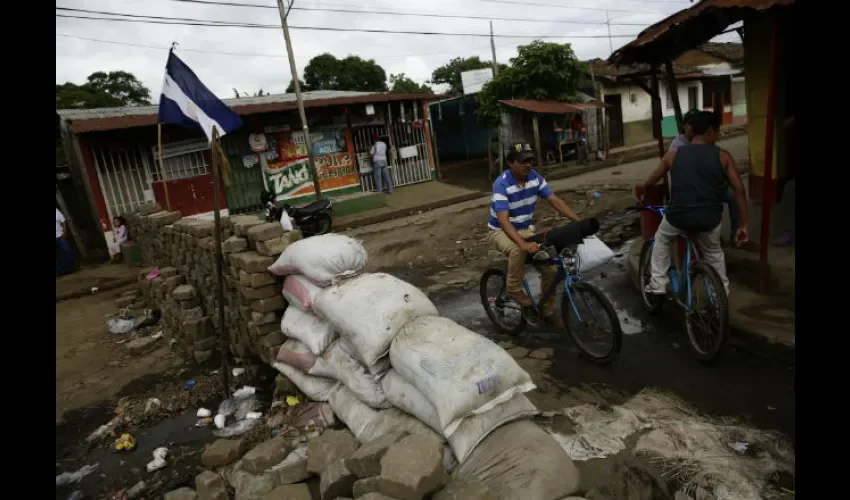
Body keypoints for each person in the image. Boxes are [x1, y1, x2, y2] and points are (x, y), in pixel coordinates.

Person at [640, 112, 748, 295]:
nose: (719, 136)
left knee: (662, 239)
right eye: (718, 132)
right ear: (709, 132)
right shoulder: (723, 156)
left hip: (678, 216)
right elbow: (739, 190)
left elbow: (651, 180)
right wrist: (743, 224)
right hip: (710, 218)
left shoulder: (673, 155)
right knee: (713, 253)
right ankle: (719, 296)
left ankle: (658, 283)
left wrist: (644, 194)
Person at [488, 142, 582, 327]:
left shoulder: (535, 178)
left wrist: (579, 221)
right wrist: (522, 244)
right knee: (517, 250)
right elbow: (504, 221)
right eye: (523, 161)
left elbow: (554, 200)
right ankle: (514, 289)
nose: (528, 165)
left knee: (551, 269)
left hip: (525, 229)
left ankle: (546, 311)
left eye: (530, 160)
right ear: (510, 163)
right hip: (499, 230)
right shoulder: (501, 184)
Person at [670, 110, 740, 245]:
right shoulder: (677, 146)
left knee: (733, 196)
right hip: (690, 188)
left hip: (709, 184)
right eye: (690, 124)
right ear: (685, 126)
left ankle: (735, 234)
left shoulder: (704, 140)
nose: (693, 127)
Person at [56, 207, 75, 276]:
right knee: (57, 256)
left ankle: (71, 268)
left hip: (60, 236)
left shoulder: (56, 211)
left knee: (67, 250)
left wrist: (64, 232)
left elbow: (63, 222)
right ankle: (61, 271)